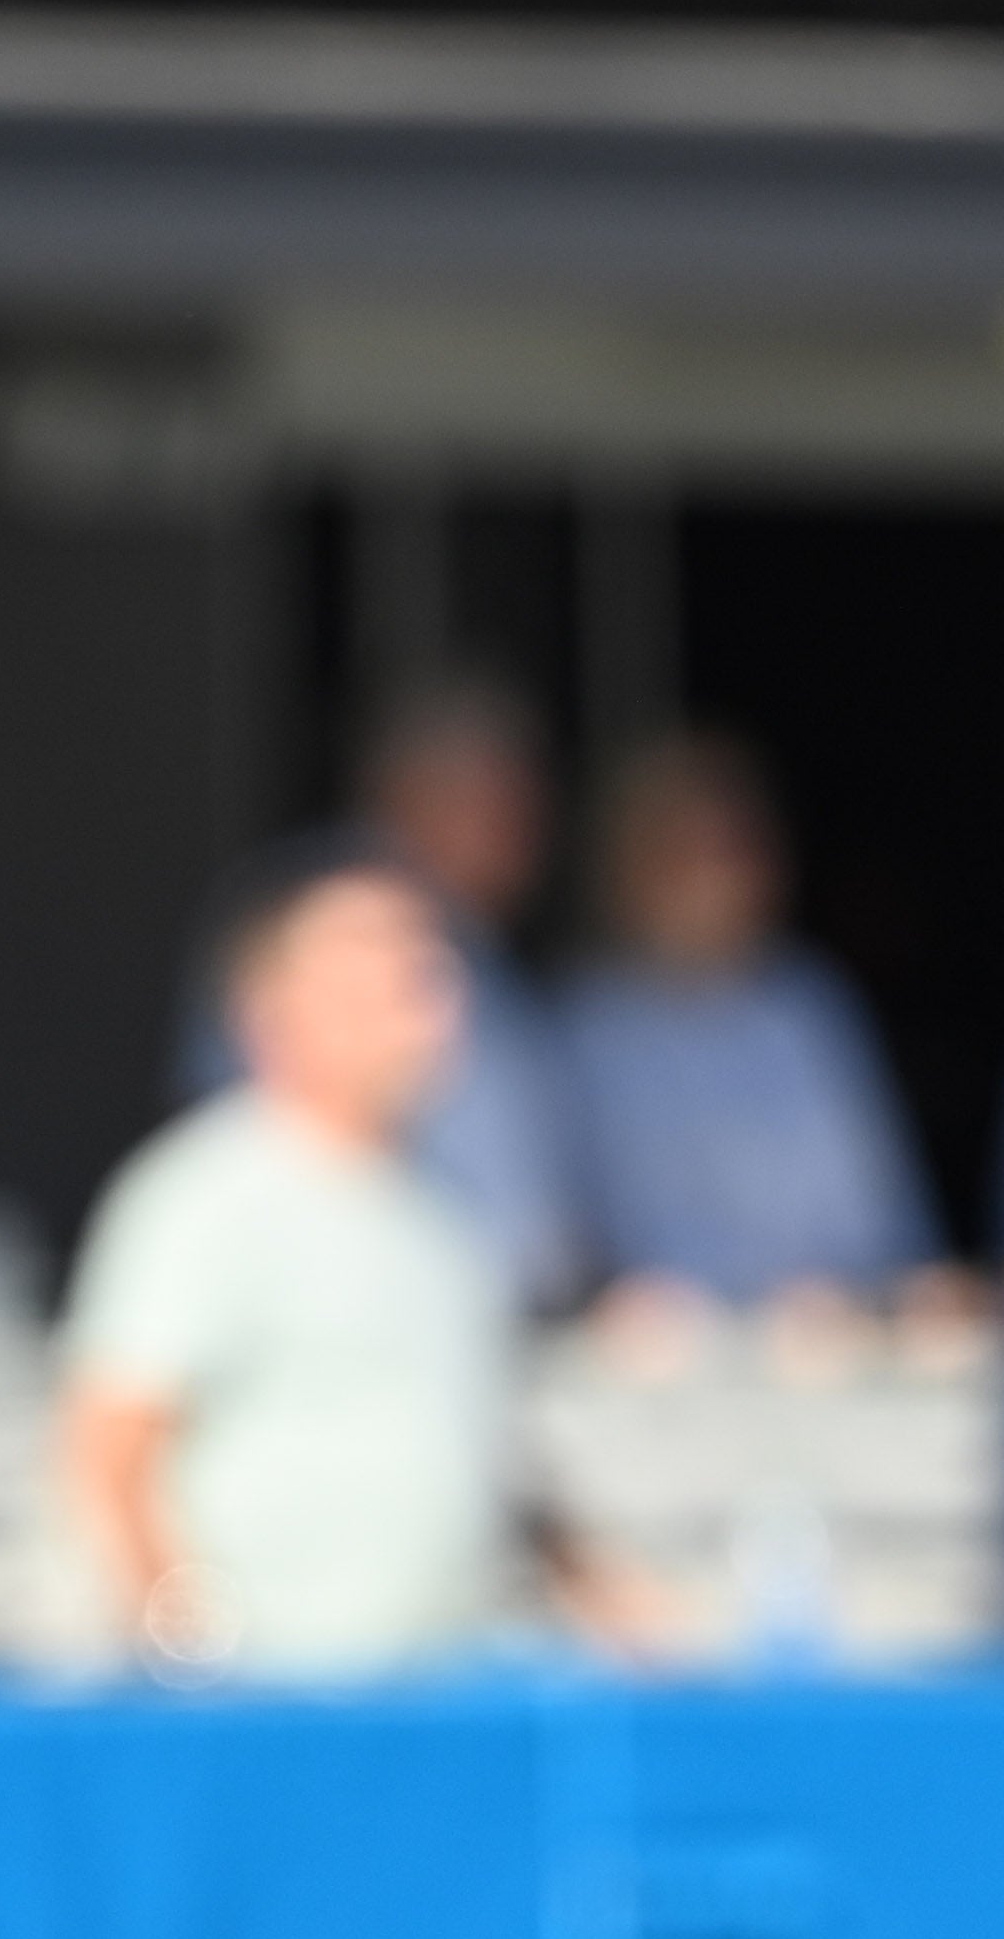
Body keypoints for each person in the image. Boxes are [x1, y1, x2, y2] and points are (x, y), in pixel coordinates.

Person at [62, 848, 520, 1675]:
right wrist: (190, 1654)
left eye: (425, 955)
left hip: (433, 1707)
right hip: (268, 1719)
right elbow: (108, 1455)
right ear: (267, 1013)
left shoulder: (451, 1217)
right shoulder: (202, 1198)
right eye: (372, 956)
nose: (415, 979)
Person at [180, 674, 589, 1314]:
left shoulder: (488, 955)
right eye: (498, 799)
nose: (528, 830)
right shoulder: (319, 912)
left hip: (492, 1323)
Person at [556, 731, 949, 1318]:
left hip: (832, 1350)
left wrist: (883, 1295)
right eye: (685, 851)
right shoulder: (584, 1029)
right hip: (658, 1372)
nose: (715, 879)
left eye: (733, 849)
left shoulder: (808, 1007)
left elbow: (891, 1232)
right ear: (627, 865)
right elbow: (562, 1253)